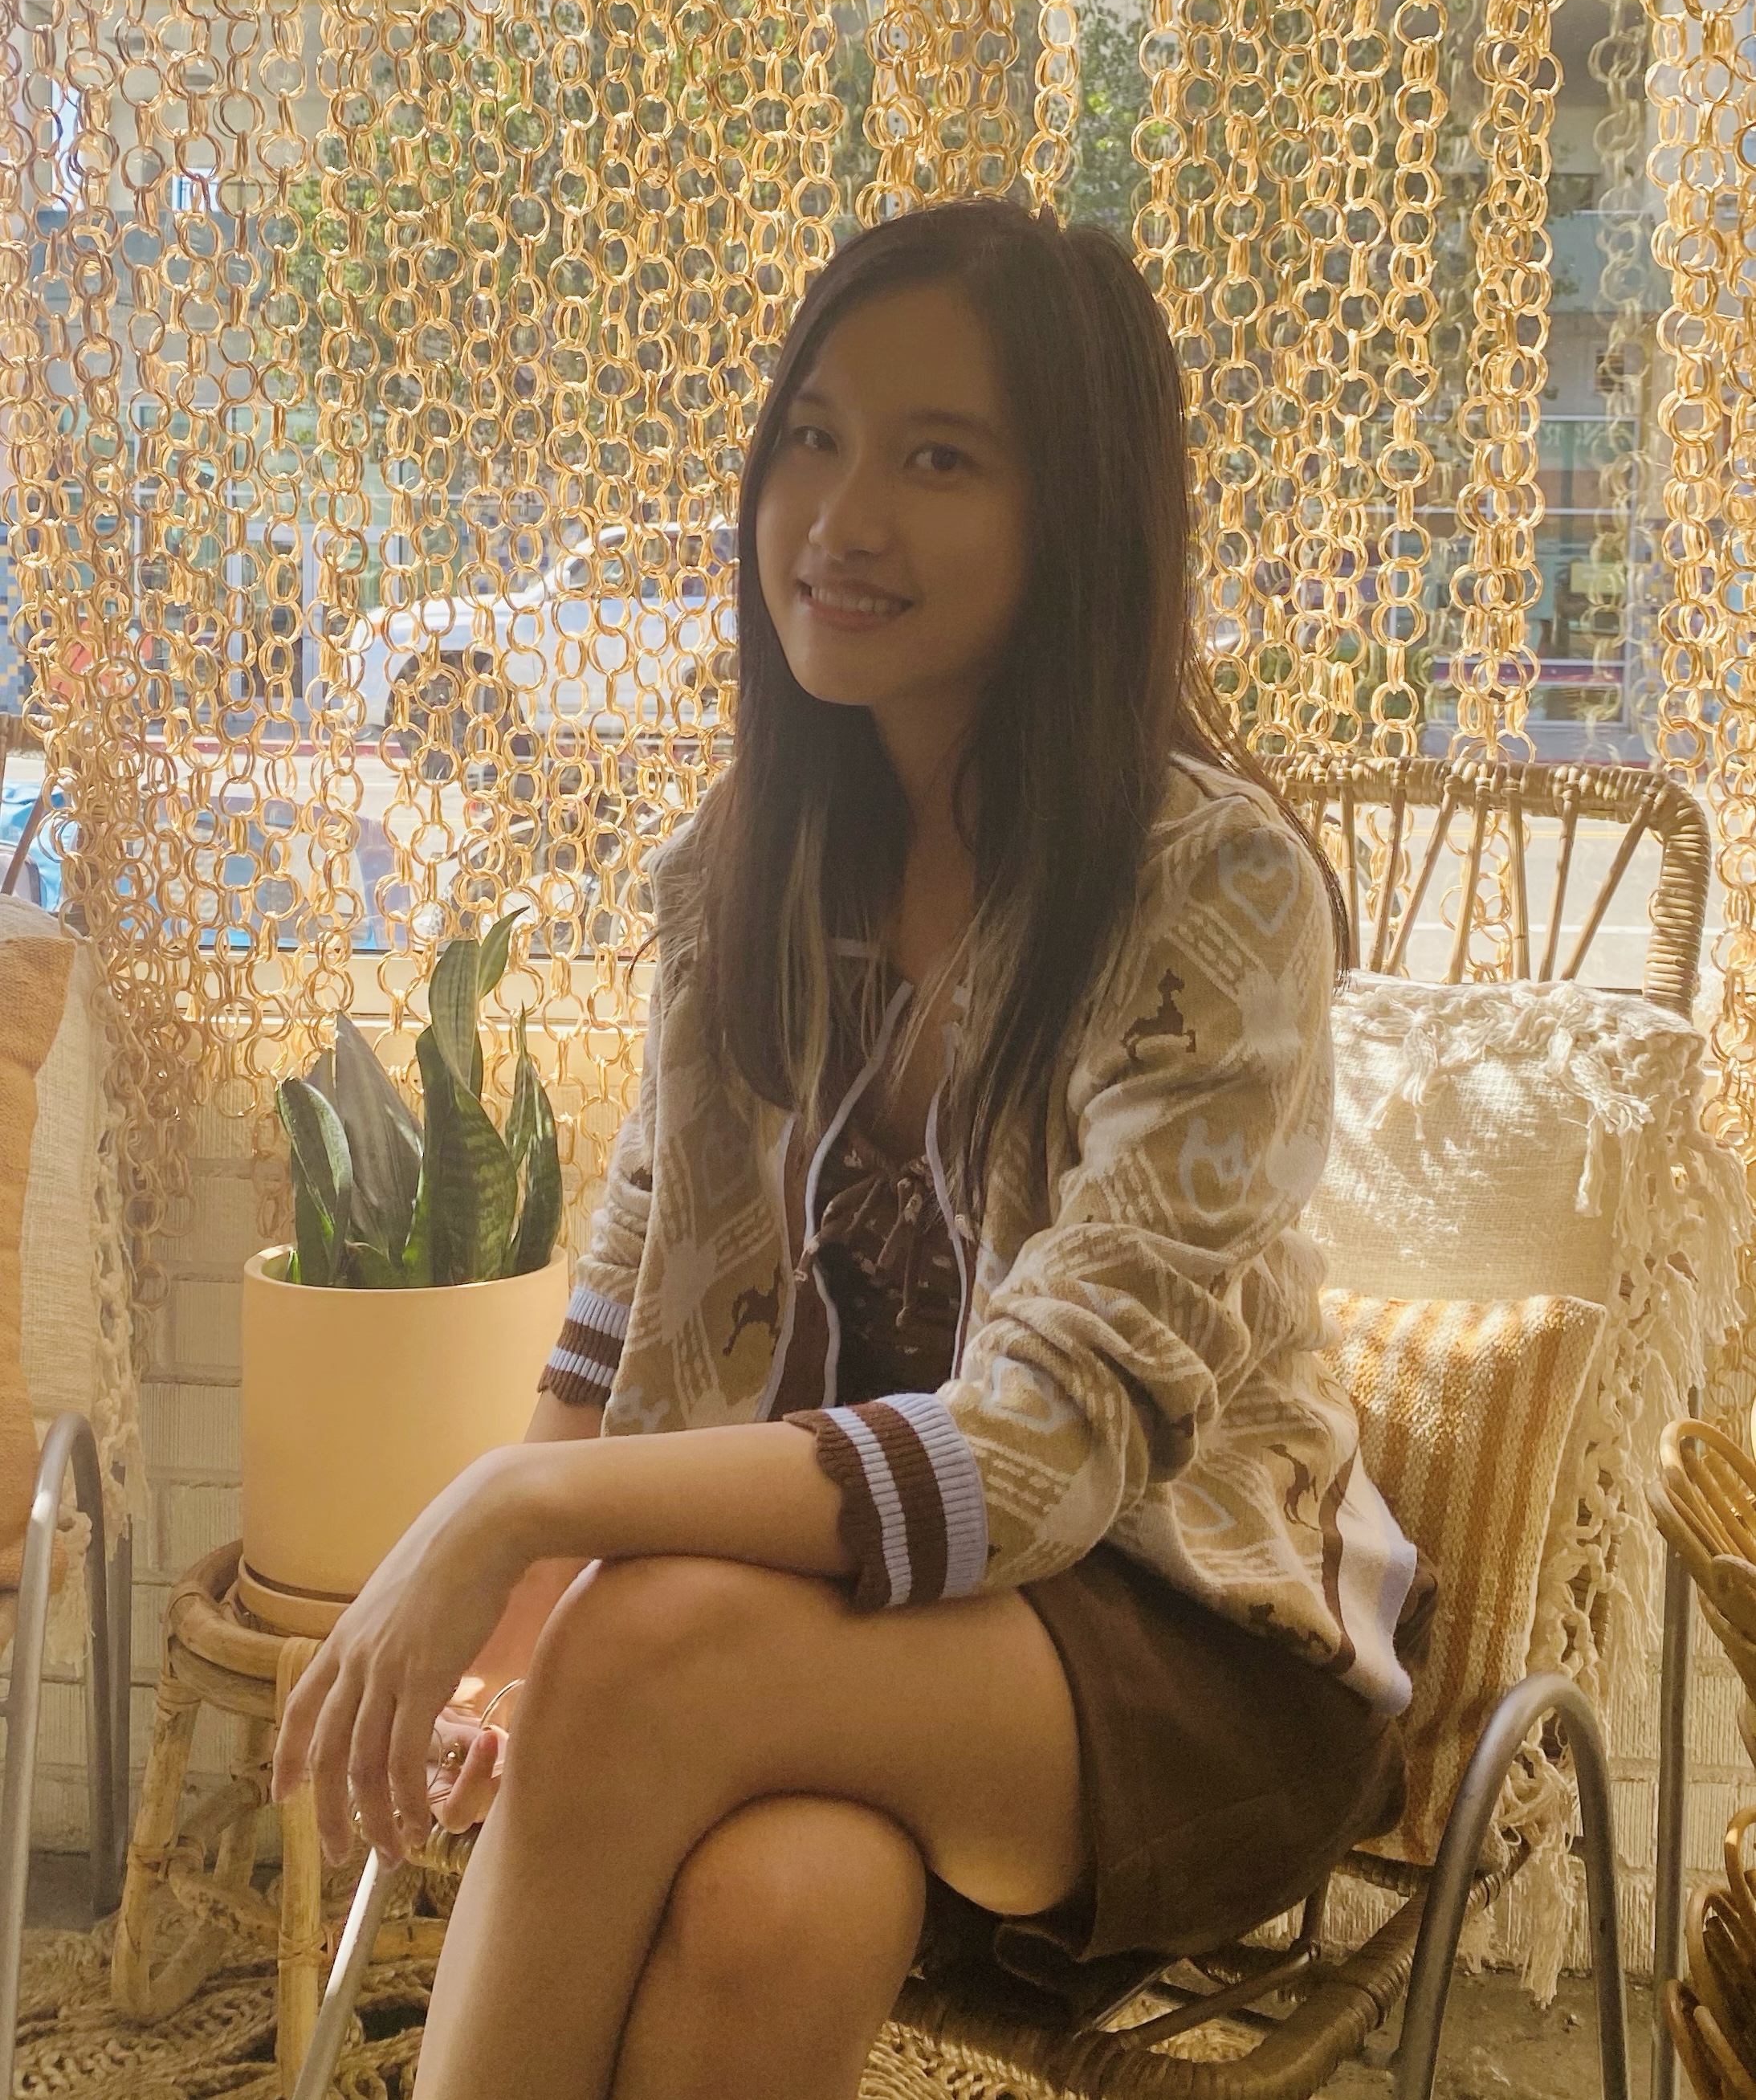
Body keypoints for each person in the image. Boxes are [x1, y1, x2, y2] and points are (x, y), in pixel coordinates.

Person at [274, 198, 1430, 2100]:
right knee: (776, 1904)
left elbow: (1049, 1459)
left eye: (938, 457)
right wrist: (515, 1642)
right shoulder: (750, 858)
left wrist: (516, 1525)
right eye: (809, 434)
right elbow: (631, 1298)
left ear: (1078, 514)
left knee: (644, 1647)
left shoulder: (1208, 890)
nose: (838, 513)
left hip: (1167, 1642)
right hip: (845, 1635)